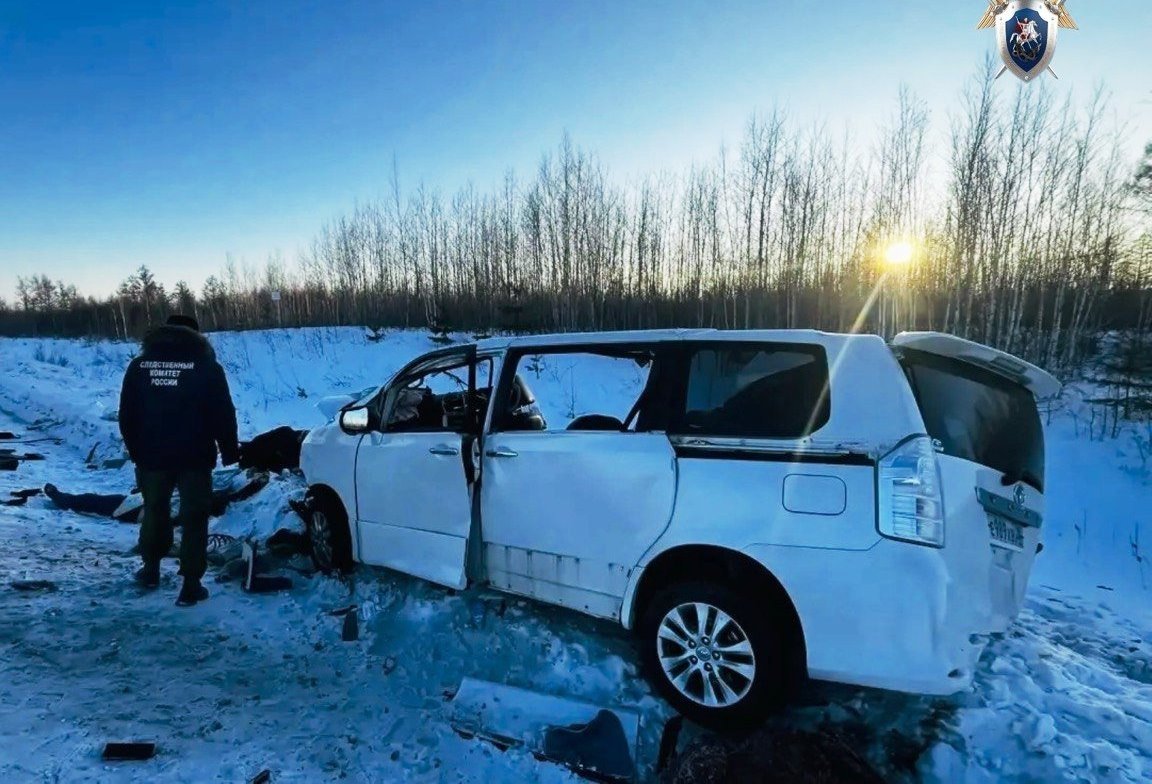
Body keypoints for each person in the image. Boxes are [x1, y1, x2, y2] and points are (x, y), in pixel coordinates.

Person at [118, 314, 240, 606]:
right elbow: (223, 412)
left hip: (152, 456)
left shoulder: (139, 367)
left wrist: (136, 450)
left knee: (155, 510)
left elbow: (127, 414)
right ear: (196, 336)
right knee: (195, 518)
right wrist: (229, 449)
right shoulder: (207, 368)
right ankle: (191, 584)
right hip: (194, 457)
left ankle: (150, 569)